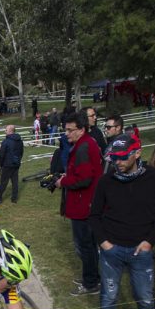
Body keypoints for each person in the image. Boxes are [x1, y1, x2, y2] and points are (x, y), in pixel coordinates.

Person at [88, 136, 155, 309]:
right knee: (109, 295)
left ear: (137, 153)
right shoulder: (106, 181)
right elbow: (94, 215)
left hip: (141, 249)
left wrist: (149, 242)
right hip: (111, 250)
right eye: (114, 158)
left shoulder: (154, 177)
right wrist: (105, 244)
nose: (118, 162)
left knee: (144, 295)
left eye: (123, 157)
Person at [57, 110, 103, 296]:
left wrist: (63, 182)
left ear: (81, 129)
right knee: (89, 246)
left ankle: (91, 283)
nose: (66, 133)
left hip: (84, 206)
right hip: (86, 204)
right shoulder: (84, 144)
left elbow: (84, 178)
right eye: (65, 130)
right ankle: (91, 277)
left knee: (86, 246)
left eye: (70, 130)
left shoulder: (84, 146)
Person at [0, 124, 25, 205]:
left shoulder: (6, 141)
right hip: (16, 164)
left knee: (3, 182)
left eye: (6, 130)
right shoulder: (20, 141)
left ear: (10, 131)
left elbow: (1, 154)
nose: (5, 131)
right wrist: (18, 161)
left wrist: (0, 164)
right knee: (15, 182)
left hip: (7, 165)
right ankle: (14, 198)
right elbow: (21, 153)